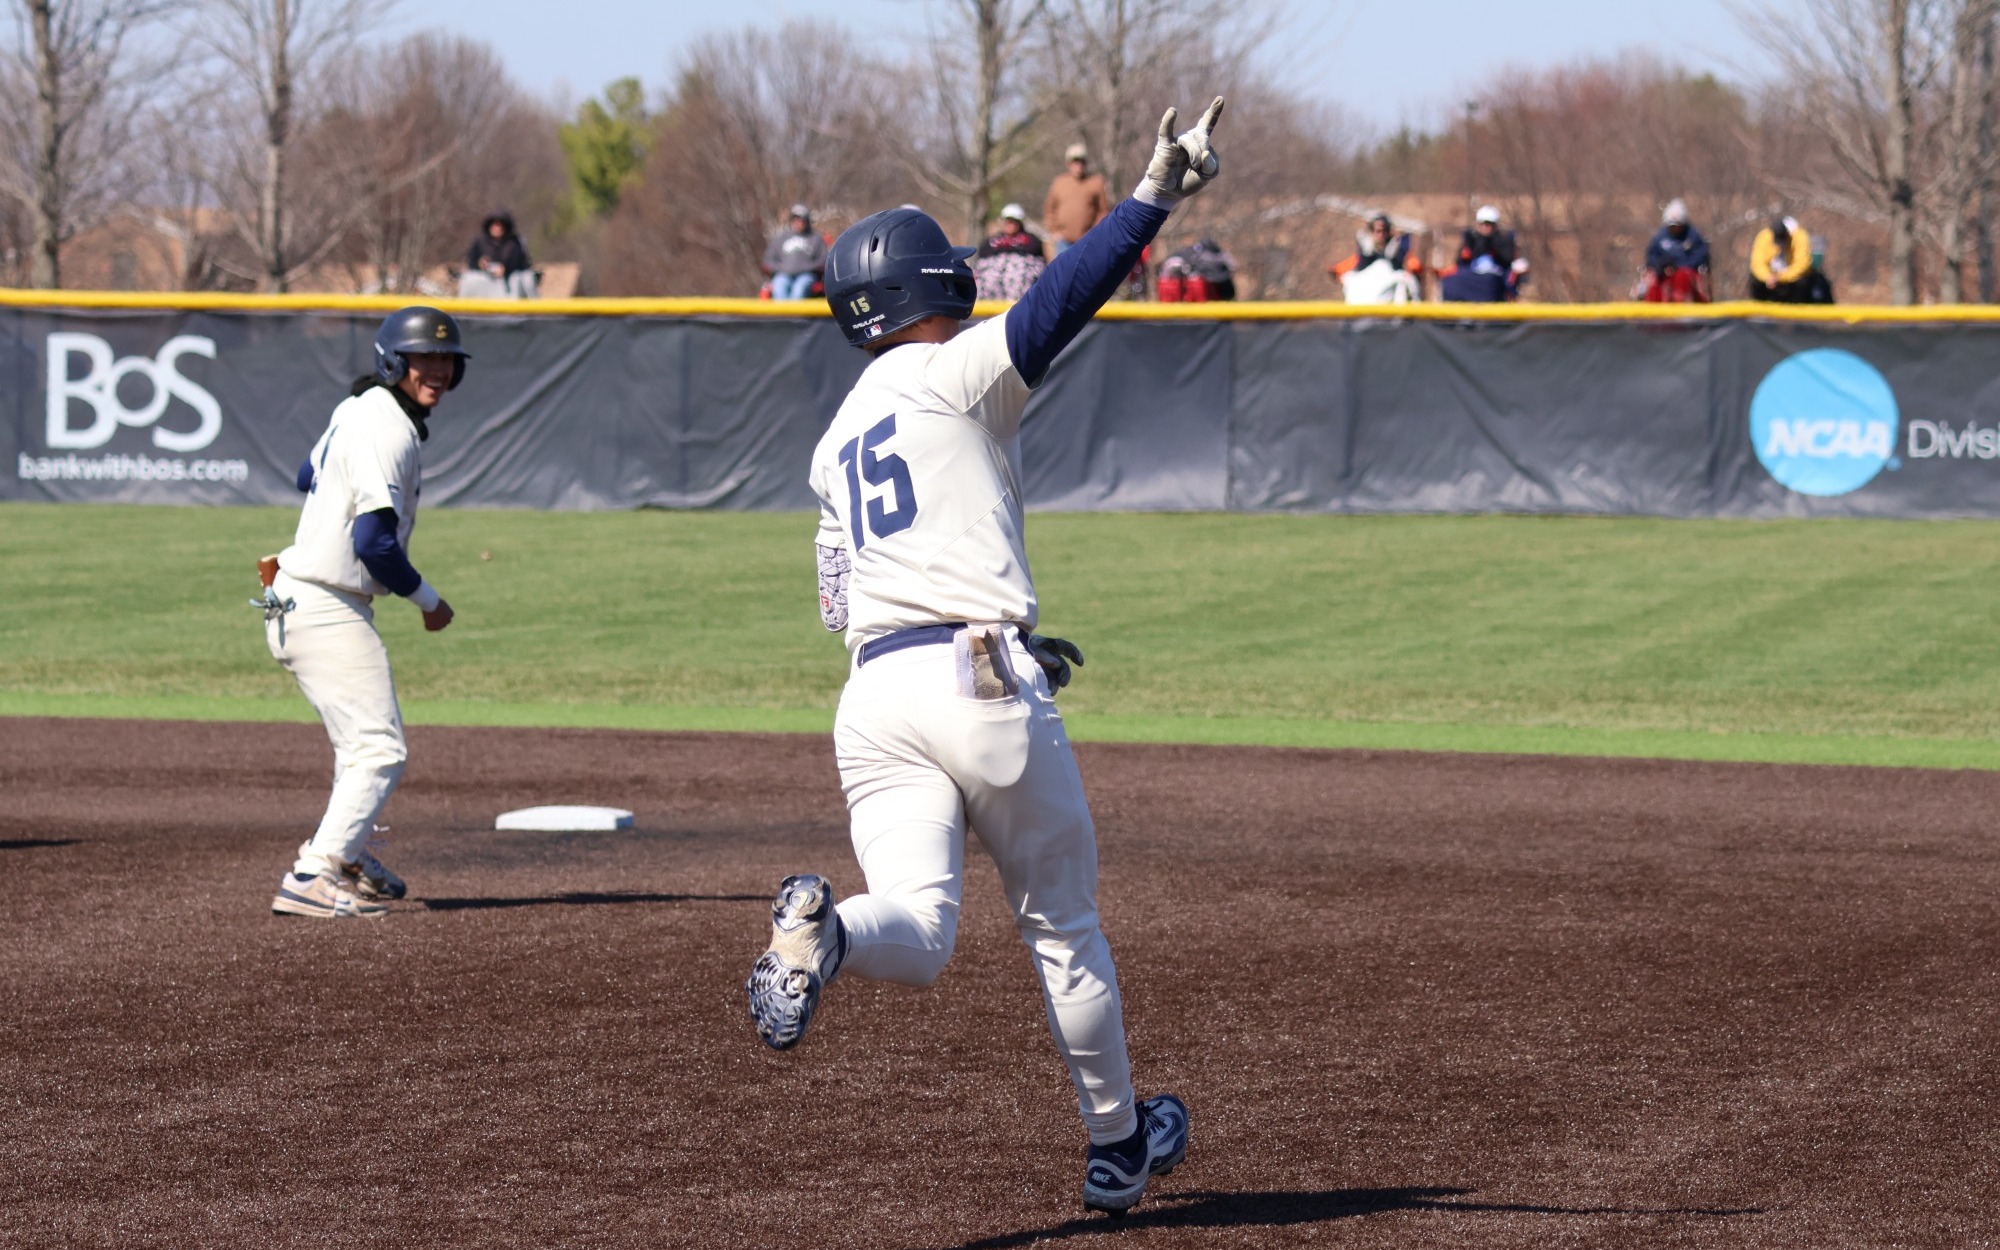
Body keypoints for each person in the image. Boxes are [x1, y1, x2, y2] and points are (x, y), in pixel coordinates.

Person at [746, 95, 1226, 1218]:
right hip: (976, 679)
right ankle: (1115, 1146)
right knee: (1062, 925)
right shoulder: (956, 369)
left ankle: (823, 936)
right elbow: (1064, 297)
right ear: (932, 285)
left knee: (914, 927)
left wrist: (981, 617)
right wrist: (1151, 195)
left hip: (875, 693)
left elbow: (839, 601)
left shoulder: (831, 443)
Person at [261, 307, 468, 919]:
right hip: (325, 604)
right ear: (393, 362)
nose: (437, 370)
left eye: (446, 359)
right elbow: (374, 544)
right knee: (380, 750)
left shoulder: (357, 409)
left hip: (300, 598)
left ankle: (346, 857)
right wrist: (429, 601)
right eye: (423, 358)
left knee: (360, 748)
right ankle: (314, 875)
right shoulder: (387, 429)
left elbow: (307, 475)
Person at [1331, 210, 1424, 304]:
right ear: (1371, 231)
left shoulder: (1395, 247)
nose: (1381, 235)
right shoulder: (1366, 248)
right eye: (1378, 231)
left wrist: (1394, 257)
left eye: (1384, 231)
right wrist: (1366, 255)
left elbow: (1412, 266)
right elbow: (1347, 269)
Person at [1440, 204, 1528, 302]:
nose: (1485, 227)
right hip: (1472, 278)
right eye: (1482, 224)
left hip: (1494, 280)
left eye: (1488, 224)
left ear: (1494, 225)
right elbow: (1460, 263)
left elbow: (1508, 262)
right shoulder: (1471, 241)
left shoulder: (1503, 242)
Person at [1043, 142, 1109, 255]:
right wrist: (1054, 231)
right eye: (1075, 161)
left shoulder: (1096, 182)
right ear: (1068, 163)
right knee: (1064, 266)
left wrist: (1094, 232)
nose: (1078, 165)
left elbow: (1103, 211)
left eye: (1081, 161)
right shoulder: (1059, 183)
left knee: (1089, 266)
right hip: (1063, 242)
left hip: (1088, 241)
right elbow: (1049, 209)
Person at [973, 203, 1049, 301]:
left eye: (1014, 221)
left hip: (1018, 273)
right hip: (995, 272)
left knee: (1018, 278)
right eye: (1008, 221)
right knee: (987, 278)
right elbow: (983, 255)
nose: (1011, 224)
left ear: (1019, 223)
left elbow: (1036, 255)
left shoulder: (1030, 240)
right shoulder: (992, 241)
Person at [1640, 199, 1711, 302]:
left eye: (1678, 225)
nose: (1675, 228)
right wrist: (1661, 266)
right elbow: (1652, 255)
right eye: (1672, 226)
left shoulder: (1693, 236)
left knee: (1682, 276)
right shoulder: (1660, 237)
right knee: (1653, 279)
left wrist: (1679, 266)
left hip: (1685, 275)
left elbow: (1700, 256)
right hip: (1663, 272)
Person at [463, 210, 536, 299]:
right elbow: (471, 261)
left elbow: (521, 263)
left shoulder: (515, 243)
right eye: (494, 225)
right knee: (468, 279)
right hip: (484, 279)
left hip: (510, 281)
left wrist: (505, 269)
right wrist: (480, 264)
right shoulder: (479, 242)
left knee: (522, 279)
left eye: (500, 225)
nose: (497, 228)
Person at [763, 204, 829, 301]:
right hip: (783, 275)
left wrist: (808, 268)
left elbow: (824, 260)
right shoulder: (781, 238)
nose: (799, 222)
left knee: (799, 289)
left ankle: (795, 312)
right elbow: (768, 260)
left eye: (802, 220)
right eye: (796, 219)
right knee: (779, 286)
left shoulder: (816, 238)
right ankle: (783, 311)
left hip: (807, 275)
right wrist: (781, 269)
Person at [1750, 215, 1819, 303]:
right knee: (1755, 281)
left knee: (1803, 282)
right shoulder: (1764, 237)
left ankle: (1796, 307)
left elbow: (1802, 265)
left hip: (1791, 280)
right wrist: (1768, 277)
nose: (1781, 245)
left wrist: (1781, 278)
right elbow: (1757, 264)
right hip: (1771, 279)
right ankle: (1762, 307)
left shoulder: (1799, 236)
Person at [1157, 236, 1237, 302]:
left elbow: (1232, 267)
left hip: (1213, 290)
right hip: (1184, 289)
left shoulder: (1217, 255)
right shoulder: (1189, 255)